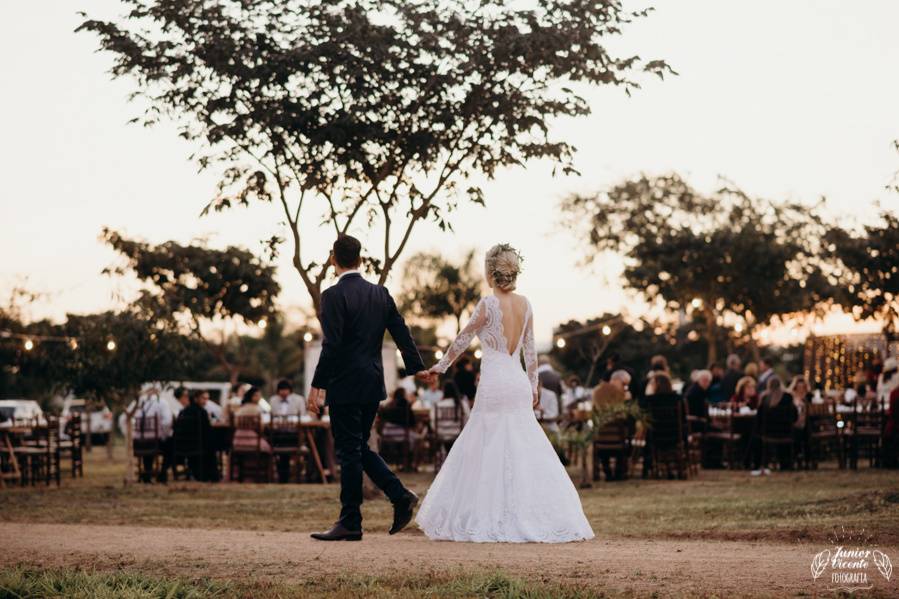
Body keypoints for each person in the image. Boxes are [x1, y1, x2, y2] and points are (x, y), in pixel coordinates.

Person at [416, 243, 594, 543]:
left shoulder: (487, 305)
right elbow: (530, 350)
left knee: (486, 444)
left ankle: (490, 514)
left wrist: (441, 366)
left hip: (495, 381)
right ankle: (536, 514)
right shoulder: (526, 305)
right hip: (518, 381)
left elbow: (462, 339)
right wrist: (534, 386)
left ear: (490, 272)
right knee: (523, 445)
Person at [308, 234, 426, 542]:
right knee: (358, 447)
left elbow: (332, 345)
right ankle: (399, 495)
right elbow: (401, 331)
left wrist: (316, 386)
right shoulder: (380, 294)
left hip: (345, 384)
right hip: (372, 383)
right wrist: (417, 368)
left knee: (349, 451)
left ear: (333, 259)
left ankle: (351, 521)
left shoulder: (332, 296)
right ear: (361, 259)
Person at [751, 376, 798, 474]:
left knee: (755, 436)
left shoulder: (765, 399)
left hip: (767, 433)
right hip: (786, 432)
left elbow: (759, 419)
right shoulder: (788, 397)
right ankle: (786, 463)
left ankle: (759, 463)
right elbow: (794, 416)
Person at [592, 370, 632, 481]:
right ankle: (619, 473)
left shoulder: (597, 391)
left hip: (600, 439)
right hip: (617, 439)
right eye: (624, 384)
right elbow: (623, 417)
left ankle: (608, 472)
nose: (626, 387)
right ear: (615, 380)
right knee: (624, 437)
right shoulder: (621, 395)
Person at [174, 390, 219, 482]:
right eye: (203, 398)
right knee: (212, 445)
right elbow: (207, 431)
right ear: (195, 399)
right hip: (197, 445)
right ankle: (211, 475)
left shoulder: (183, 411)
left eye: (207, 399)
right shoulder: (201, 412)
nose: (205, 401)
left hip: (182, 445)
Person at [130, 390, 174, 483]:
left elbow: (125, 419)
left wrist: (133, 436)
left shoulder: (137, 403)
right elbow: (167, 422)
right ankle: (163, 472)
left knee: (150, 447)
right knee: (171, 445)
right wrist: (164, 435)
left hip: (138, 443)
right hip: (155, 443)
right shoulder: (162, 402)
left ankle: (147, 473)